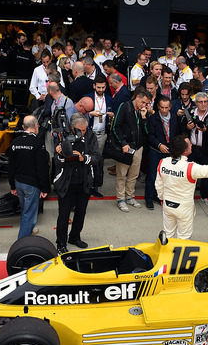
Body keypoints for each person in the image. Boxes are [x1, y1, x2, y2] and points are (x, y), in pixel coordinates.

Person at [155, 136, 208, 239]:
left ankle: (166, 254)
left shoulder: (162, 162)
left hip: (167, 205)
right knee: (184, 238)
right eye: (189, 144)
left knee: (168, 235)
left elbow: (158, 185)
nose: (192, 145)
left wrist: (162, 200)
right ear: (184, 151)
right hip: (183, 208)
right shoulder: (190, 168)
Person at [53, 113, 101, 254]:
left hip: (84, 182)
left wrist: (83, 158)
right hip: (66, 183)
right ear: (73, 128)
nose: (83, 132)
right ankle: (61, 243)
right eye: (81, 130)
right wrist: (61, 156)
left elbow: (97, 157)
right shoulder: (62, 137)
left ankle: (74, 237)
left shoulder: (91, 137)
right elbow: (56, 162)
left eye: (85, 129)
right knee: (63, 214)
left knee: (81, 212)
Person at [8, 115, 49, 239]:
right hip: (32, 185)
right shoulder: (38, 143)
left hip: (18, 183)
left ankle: (28, 231)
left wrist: (12, 185)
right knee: (29, 216)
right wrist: (45, 188)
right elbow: (42, 168)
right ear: (36, 126)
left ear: (23, 127)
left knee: (25, 211)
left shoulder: (15, 142)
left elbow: (11, 166)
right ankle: (21, 243)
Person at [112, 89, 150, 212]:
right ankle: (121, 199)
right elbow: (116, 126)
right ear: (137, 97)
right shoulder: (125, 106)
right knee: (122, 174)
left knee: (134, 174)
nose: (144, 105)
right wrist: (123, 143)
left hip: (138, 147)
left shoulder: (143, 112)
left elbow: (147, 131)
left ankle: (129, 196)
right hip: (126, 147)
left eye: (146, 103)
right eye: (143, 102)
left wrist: (144, 117)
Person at [187, 92, 208, 208]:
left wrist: (206, 130)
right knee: (189, 173)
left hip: (206, 149)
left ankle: (205, 195)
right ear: (196, 103)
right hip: (192, 148)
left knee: (206, 173)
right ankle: (188, 196)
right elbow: (181, 129)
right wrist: (187, 127)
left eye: (205, 102)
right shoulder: (191, 112)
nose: (203, 104)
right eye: (200, 102)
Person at [145, 95, 179, 209]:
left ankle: (157, 196)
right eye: (162, 107)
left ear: (170, 107)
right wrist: (159, 145)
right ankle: (148, 198)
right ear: (158, 107)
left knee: (165, 176)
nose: (164, 110)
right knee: (152, 175)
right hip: (156, 150)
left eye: (166, 107)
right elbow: (150, 135)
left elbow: (176, 134)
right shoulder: (153, 118)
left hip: (169, 151)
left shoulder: (174, 118)